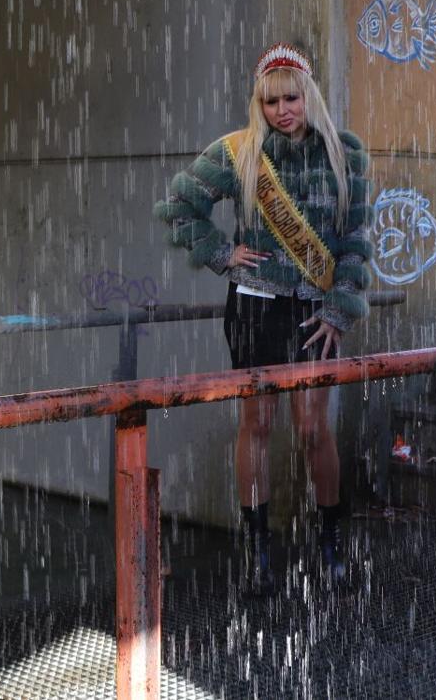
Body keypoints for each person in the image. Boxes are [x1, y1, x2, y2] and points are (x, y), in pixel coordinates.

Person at [153, 43, 372, 595]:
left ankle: (331, 545)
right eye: (271, 100)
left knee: (313, 429)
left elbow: (353, 242)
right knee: (256, 427)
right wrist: (221, 253)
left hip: (315, 313)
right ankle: (258, 555)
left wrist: (340, 309)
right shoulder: (238, 153)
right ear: (260, 103)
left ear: (310, 96)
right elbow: (178, 208)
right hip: (253, 305)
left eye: (292, 97)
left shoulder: (344, 154)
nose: (283, 110)